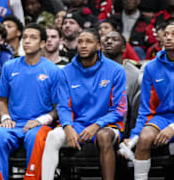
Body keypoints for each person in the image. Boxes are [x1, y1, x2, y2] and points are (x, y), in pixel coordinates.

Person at [41, 29, 128, 180]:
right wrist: (67, 126)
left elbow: (119, 109)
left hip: (108, 125)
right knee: (53, 136)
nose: (83, 45)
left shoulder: (116, 70)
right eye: (80, 42)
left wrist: (97, 125)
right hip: (77, 124)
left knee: (103, 136)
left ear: (98, 46)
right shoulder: (66, 72)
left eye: (88, 42)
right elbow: (63, 106)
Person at [0, 24, 61, 180]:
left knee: (34, 137)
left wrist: (41, 120)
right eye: (25, 37)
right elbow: (1, 100)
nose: (27, 41)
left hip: (40, 125)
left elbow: (58, 108)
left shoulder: (53, 70)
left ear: (42, 44)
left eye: (33, 38)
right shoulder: (9, 67)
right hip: (14, 124)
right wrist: (6, 118)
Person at [119, 22, 174, 180]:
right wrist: (134, 136)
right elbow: (146, 108)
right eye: (166, 34)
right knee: (145, 137)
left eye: (173, 34)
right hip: (163, 117)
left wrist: (172, 127)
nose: (169, 37)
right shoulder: (151, 68)